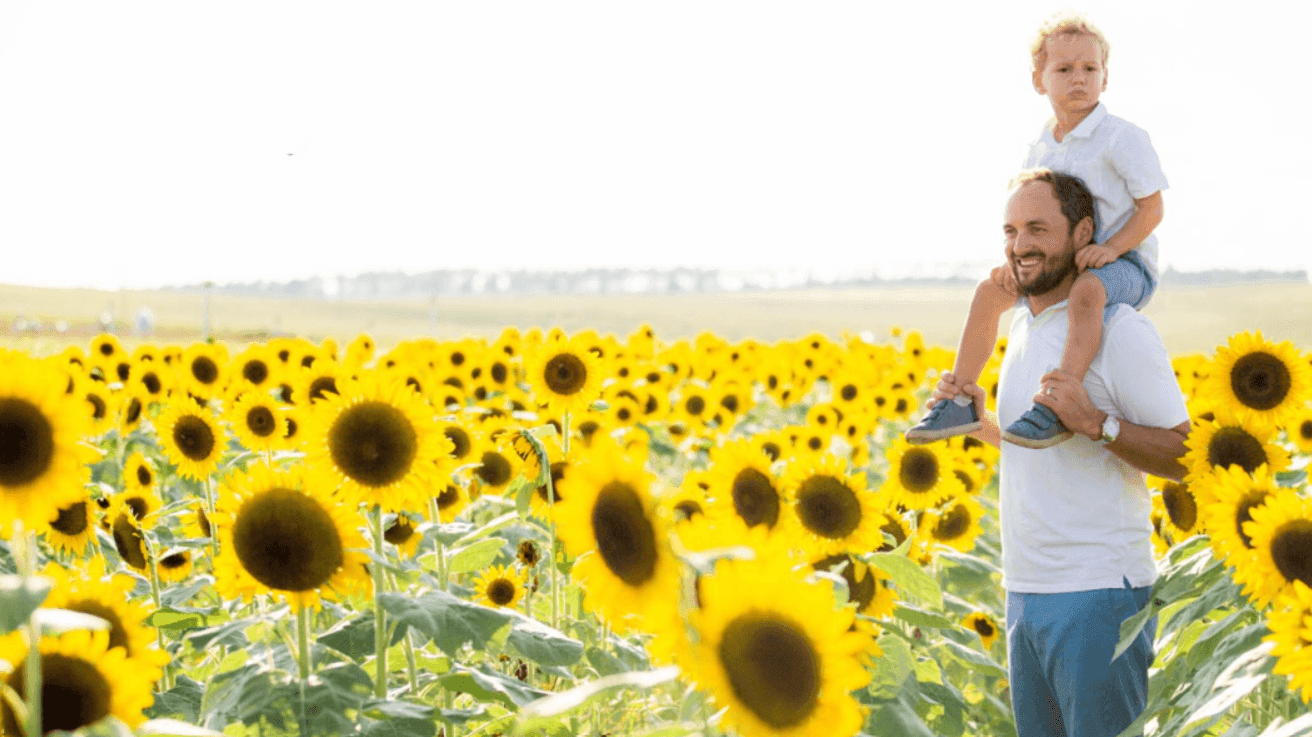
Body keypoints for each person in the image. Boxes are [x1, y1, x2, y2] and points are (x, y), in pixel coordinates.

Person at [931, 168, 1189, 737]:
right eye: (1011, 229)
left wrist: (1098, 424)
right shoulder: (1022, 328)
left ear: (1084, 233)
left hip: (1098, 595)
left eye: (1038, 228)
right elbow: (1043, 448)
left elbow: (1187, 455)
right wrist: (983, 426)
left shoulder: (1120, 330)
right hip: (1024, 591)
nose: (1020, 245)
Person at [907, 11, 1168, 449]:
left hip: (1125, 266)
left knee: (1088, 290)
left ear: (1105, 78)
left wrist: (1111, 248)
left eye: (1090, 68)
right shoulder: (1041, 146)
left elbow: (1152, 208)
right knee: (989, 292)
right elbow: (1029, 213)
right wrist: (1018, 262)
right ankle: (959, 398)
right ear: (1039, 80)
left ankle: (1056, 401)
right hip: (1061, 268)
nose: (1078, 79)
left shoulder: (1122, 138)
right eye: (1063, 69)